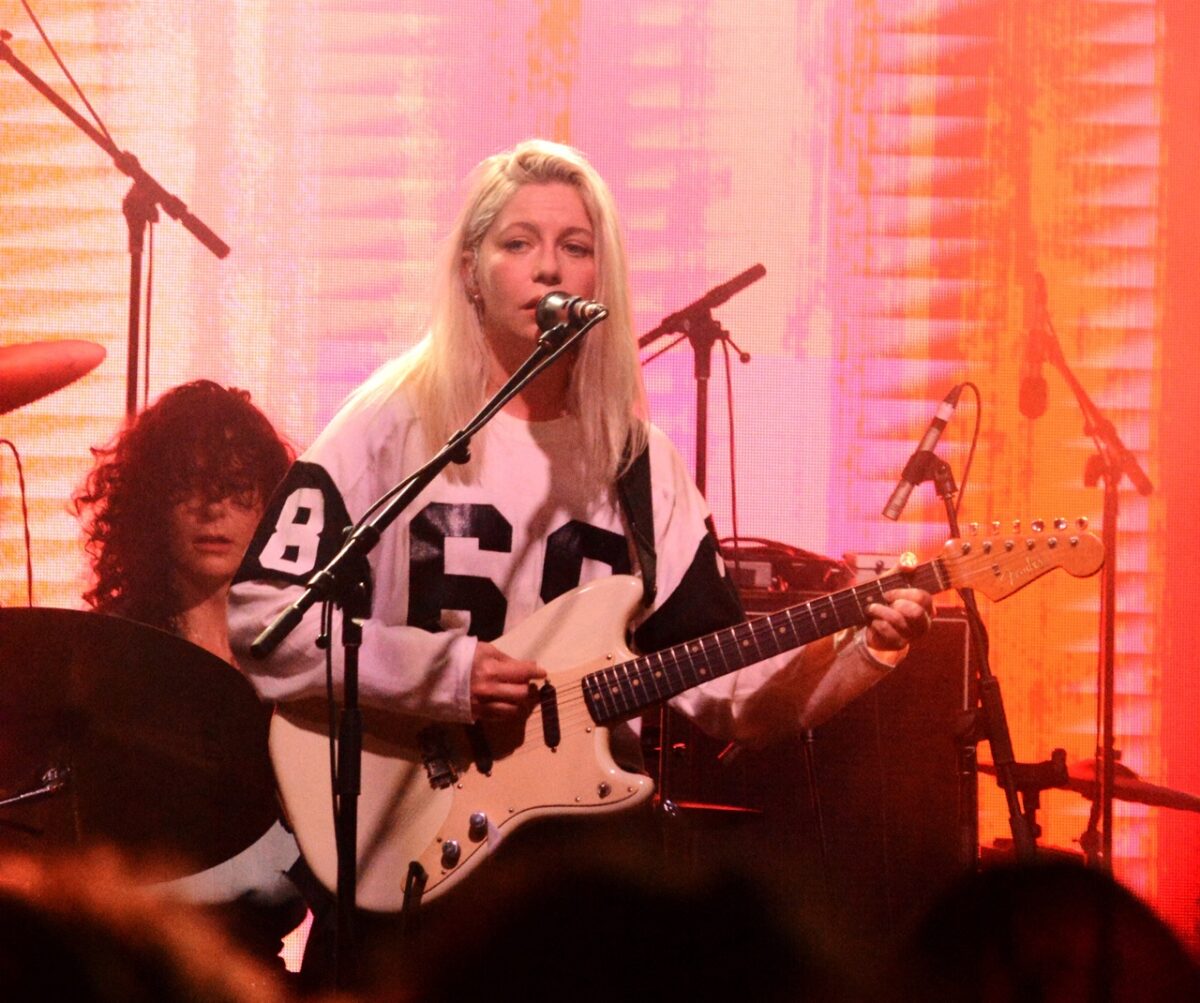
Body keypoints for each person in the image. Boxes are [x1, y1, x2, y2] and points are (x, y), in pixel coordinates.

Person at [228, 139, 934, 988]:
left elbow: (732, 696)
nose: (547, 267)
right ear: (470, 271)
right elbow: (263, 621)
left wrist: (865, 648)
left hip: (575, 885)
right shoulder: (391, 421)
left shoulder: (636, 460)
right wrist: (447, 675)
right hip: (407, 843)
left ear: (602, 277)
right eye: (518, 242)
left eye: (575, 245)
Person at [73, 379, 305, 975]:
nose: (212, 509)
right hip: (141, 957)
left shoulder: (307, 654)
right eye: (187, 487)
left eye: (234, 488)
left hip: (259, 961)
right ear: (151, 503)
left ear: (272, 505)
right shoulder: (110, 654)